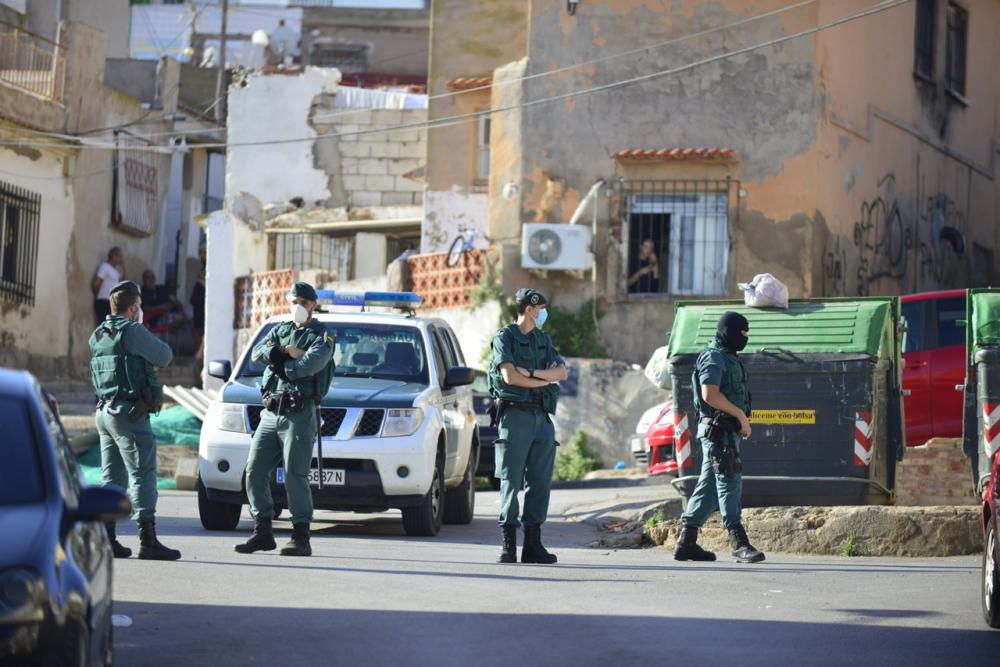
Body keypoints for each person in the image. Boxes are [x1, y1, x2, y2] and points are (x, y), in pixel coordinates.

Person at [235, 282, 334, 558]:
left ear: (313, 305)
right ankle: (262, 530)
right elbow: (258, 353)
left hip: (299, 413)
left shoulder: (322, 335)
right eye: (294, 301)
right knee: (254, 470)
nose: (298, 307)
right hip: (271, 411)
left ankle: (300, 536)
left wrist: (281, 364)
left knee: (294, 475)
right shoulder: (280, 329)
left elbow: (310, 365)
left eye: (303, 302)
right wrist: (283, 353)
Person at [89, 280, 181, 561]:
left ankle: (108, 539)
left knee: (111, 478)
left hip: (104, 412)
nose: (139, 311)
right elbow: (165, 355)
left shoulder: (98, 334)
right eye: (139, 307)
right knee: (142, 473)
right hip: (129, 414)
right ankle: (148, 540)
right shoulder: (132, 331)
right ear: (132, 308)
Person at [674, 311, 765, 564]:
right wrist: (741, 416)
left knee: (710, 486)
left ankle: (686, 542)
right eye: (741, 333)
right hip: (719, 432)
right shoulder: (714, 357)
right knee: (729, 480)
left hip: (726, 431)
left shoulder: (728, 356)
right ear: (728, 332)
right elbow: (710, 395)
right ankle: (738, 542)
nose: (745, 338)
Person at [487, 288, 568, 564]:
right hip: (515, 416)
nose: (544, 313)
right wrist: (544, 379)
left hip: (541, 416)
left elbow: (562, 372)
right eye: (541, 309)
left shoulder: (542, 339)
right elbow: (510, 377)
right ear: (530, 309)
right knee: (510, 480)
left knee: (540, 482)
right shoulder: (505, 337)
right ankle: (508, 545)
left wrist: (532, 374)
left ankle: (533, 545)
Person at [92, 247, 125, 325]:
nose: (122, 258)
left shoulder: (115, 271)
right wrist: (99, 296)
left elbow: (122, 282)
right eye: (120, 256)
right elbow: (96, 283)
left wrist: (123, 267)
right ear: (114, 256)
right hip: (104, 301)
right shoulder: (105, 267)